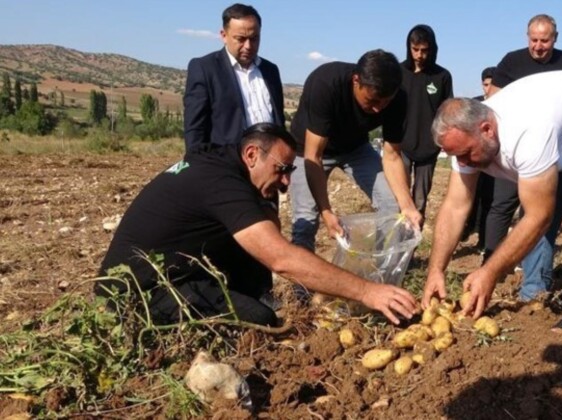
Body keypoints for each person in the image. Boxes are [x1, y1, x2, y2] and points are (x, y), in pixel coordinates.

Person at [96, 123, 418, 326]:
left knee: (252, 282)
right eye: (281, 169)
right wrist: (367, 291)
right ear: (251, 154)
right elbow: (281, 259)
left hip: (159, 275)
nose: (286, 182)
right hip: (135, 294)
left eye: (290, 171)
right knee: (261, 320)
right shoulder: (222, 183)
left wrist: (267, 203)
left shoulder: (222, 163)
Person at [421, 70, 562, 334]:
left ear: (486, 129)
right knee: (534, 204)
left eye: (465, 154)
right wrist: (435, 270)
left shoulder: (527, 130)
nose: (463, 163)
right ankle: (534, 292)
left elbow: (539, 216)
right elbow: (455, 206)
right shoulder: (465, 138)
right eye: (455, 156)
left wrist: (490, 272)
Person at [289, 49, 422, 255]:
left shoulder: (397, 98)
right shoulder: (326, 83)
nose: (378, 109)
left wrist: (408, 205)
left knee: (391, 203)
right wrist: (326, 212)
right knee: (306, 218)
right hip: (308, 151)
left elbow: (392, 155)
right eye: (372, 101)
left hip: (356, 148)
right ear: (356, 80)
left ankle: (380, 266)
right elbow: (313, 155)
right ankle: (301, 282)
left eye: (385, 102)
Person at [483, 14, 562, 263]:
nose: (538, 46)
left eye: (544, 41)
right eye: (534, 40)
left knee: (534, 209)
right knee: (503, 204)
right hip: (513, 146)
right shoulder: (512, 61)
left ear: (554, 39)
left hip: (547, 149)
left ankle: (525, 264)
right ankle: (490, 257)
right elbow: (493, 101)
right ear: (527, 37)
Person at [183, 3, 285, 152]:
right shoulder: (205, 68)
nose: (248, 46)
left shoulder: (271, 70)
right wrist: (200, 167)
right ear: (224, 35)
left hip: (269, 164)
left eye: (254, 38)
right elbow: (195, 130)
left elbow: (279, 120)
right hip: (226, 165)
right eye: (241, 39)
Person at [399, 24, 454, 224]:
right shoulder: (398, 72)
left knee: (419, 202)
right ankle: (397, 250)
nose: (420, 55)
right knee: (400, 199)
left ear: (431, 49)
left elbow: (447, 111)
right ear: (409, 47)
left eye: (424, 50)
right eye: (415, 50)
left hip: (428, 149)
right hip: (401, 146)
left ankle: (410, 251)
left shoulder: (442, 76)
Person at [462, 67, 497, 248]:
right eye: (485, 84)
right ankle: (465, 230)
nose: (487, 89)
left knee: (489, 200)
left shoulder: (500, 106)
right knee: (470, 196)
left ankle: (484, 240)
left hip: (492, 164)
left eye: (491, 85)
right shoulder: (474, 105)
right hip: (474, 163)